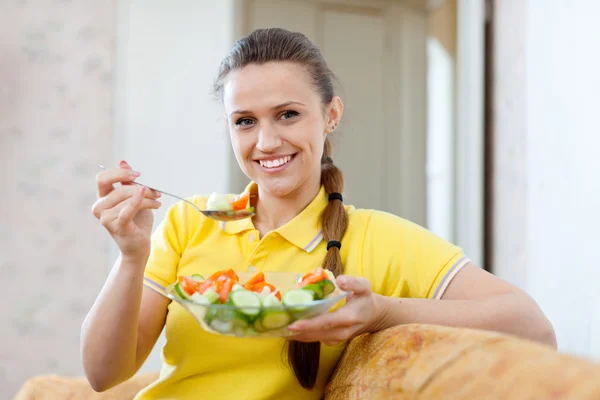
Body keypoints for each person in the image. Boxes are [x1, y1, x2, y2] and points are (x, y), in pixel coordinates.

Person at [81, 28, 556, 400]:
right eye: (245, 121)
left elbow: (534, 328)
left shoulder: (375, 237)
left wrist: (381, 313)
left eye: (287, 114)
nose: (266, 142)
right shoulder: (191, 221)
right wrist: (130, 255)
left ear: (331, 115)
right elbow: (103, 374)